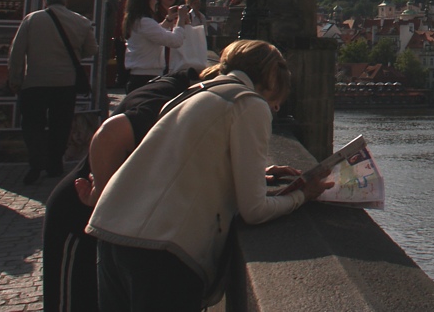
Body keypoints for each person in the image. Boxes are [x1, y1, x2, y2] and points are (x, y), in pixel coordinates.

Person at [87, 40, 331, 312]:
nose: (273, 109)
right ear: (272, 80)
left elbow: (184, 161)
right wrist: (302, 195)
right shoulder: (249, 103)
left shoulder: (196, 93)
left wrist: (255, 173)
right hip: (162, 250)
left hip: (112, 232)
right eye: (275, 104)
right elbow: (255, 210)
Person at [42, 71, 197, 312]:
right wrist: (102, 194)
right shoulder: (170, 99)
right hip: (77, 212)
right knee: (72, 302)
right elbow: (108, 134)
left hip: (102, 219)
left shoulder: (172, 86)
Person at [7, 0, 97, 185]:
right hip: (65, 82)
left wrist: (15, 79)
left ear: (45, 0)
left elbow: (17, 52)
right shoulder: (81, 21)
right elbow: (92, 48)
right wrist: (74, 55)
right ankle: (55, 163)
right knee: (61, 124)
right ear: (66, 0)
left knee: (32, 123)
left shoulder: (32, 19)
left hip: (35, 81)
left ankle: (36, 161)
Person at [122, 0, 186, 92]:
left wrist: (169, 19)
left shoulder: (136, 20)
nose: (156, 0)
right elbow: (176, 41)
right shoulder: (145, 21)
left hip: (139, 76)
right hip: (146, 77)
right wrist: (181, 19)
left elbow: (155, 33)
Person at [167, 0, 208, 75]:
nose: (198, 5)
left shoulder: (202, 16)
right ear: (191, 4)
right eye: (196, 3)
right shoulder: (187, 15)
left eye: (199, 3)